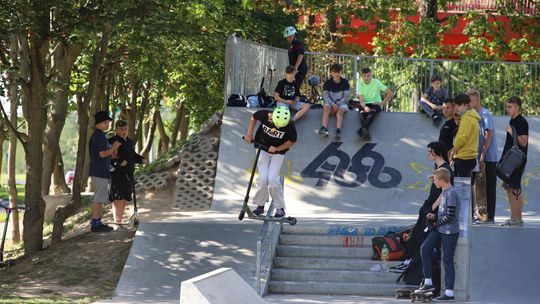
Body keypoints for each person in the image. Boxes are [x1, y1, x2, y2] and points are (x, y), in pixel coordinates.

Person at [398, 141, 453, 270]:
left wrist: (432, 208)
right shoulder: (437, 167)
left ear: (437, 152)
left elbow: (445, 192)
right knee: (417, 233)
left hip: (434, 208)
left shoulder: (446, 170)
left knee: (422, 236)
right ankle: (408, 260)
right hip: (428, 205)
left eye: (430, 151)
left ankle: (413, 263)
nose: (428, 154)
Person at [244, 106, 297, 218]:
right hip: (262, 148)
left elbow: (291, 141)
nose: (278, 127)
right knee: (262, 178)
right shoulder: (265, 115)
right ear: (272, 117)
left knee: (272, 179)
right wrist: (249, 134)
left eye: (281, 126)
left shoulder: (290, 125)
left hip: (278, 153)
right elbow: (253, 117)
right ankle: (260, 205)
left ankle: (280, 208)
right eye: (276, 124)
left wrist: (278, 149)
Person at [417, 167, 460, 302]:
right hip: (440, 228)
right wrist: (434, 217)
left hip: (449, 231)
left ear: (442, 180)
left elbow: (450, 217)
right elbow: (443, 214)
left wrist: (435, 224)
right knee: (425, 248)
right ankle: (428, 282)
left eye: (435, 180)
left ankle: (449, 292)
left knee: (447, 260)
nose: (434, 183)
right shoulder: (444, 192)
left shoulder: (452, 193)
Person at [467, 89, 498, 223]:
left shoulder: (485, 114)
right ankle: (476, 213)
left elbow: (488, 134)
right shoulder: (472, 115)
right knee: (474, 184)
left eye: (470, 100)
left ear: (477, 100)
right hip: (475, 154)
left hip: (488, 156)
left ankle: (490, 215)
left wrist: (483, 155)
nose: (468, 103)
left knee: (489, 185)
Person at [109, 120, 147, 225]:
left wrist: (141, 159)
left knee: (125, 196)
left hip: (128, 172)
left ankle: (119, 220)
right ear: (116, 130)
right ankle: (117, 222)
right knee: (118, 197)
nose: (124, 131)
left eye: (125, 129)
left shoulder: (129, 141)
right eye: (121, 129)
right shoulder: (112, 141)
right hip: (117, 173)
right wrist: (119, 161)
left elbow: (132, 155)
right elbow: (110, 156)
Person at [89, 111, 121, 232]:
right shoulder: (99, 136)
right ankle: (95, 223)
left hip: (101, 171)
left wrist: (112, 154)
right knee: (99, 198)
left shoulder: (100, 135)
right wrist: (113, 147)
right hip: (99, 172)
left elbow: (104, 154)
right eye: (105, 122)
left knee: (101, 197)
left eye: (108, 122)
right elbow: (102, 154)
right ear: (98, 123)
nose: (107, 125)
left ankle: (98, 221)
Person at [500, 96, 528, 227]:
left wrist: (512, 132)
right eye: (507, 107)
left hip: (516, 161)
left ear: (517, 106)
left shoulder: (521, 122)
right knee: (512, 188)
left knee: (513, 188)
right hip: (511, 160)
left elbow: (523, 142)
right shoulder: (513, 120)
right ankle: (516, 217)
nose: (507, 109)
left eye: (509, 107)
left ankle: (516, 219)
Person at [356, 67, 393, 140]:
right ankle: (364, 131)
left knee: (371, 113)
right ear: (362, 76)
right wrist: (365, 107)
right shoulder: (359, 83)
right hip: (365, 104)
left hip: (375, 104)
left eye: (368, 75)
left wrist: (382, 103)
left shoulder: (376, 82)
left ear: (371, 75)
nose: (366, 78)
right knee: (362, 114)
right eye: (364, 76)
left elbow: (390, 93)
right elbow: (361, 100)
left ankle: (363, 130)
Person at [449, 94, 480, 178]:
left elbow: (462, 138)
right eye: (455, 105)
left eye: (459, 105)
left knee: (461, 188)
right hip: (471, 157)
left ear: (466, 105)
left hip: (463, 158)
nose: (456, 107)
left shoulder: (466, 119)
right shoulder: (474, 118)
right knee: (467, 187)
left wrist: (453, 152)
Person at [318, 63, 350, 139]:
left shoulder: (345, 82)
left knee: (340, 111)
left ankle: (338, 131)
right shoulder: (327, 83)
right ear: (331, 73)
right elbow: (326, 96)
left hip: (342, 104)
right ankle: (324, 128)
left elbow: (346, 97)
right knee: (326, 108)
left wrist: (337, 104)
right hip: (330, 103)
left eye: (338, 72)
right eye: (335, 72)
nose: (337, 74)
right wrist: (333, 104)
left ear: (341, 72)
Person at [283, 26, 308, 91]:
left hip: (299, 69)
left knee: (294, 87)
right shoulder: (292, 45)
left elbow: (301, 55)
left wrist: (295, 68)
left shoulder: (298, 43)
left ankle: (294, 100)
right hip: (293, 70)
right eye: (287, 37)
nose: (289, 38)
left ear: (294, 35)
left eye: (290, 36)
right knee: (291, 87)